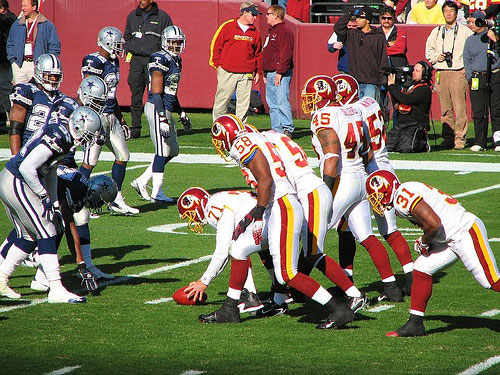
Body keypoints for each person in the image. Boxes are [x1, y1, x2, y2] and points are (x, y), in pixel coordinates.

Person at [201, 114, 355, 329]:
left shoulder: (241, 144)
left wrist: (256, 212)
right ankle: (230, 308)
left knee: (287, 274)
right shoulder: (258, 138)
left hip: (281, 205)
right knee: (238, 249)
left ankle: (338, 308)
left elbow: (265, 179)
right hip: (278, 205)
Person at [301, 75, 404, 302]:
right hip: (361, 176)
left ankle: (291, 289)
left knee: (313, 235)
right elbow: (368, 152)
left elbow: (331, 156)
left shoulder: (323, 115)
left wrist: (326, 190)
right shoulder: (354, 111)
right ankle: (392, 288)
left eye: (312, 97)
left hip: (341, 178)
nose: (309, 103)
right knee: (366, 235)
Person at [365, 169, 500, 337]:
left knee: (491, 281)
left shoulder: (402, 199)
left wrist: (423, 242)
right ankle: (415, 324)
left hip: (464, 231)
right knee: (422, 268)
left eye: (378, 196)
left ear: (387, 190)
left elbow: (434, 224)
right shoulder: (404, 192)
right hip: (449, 237)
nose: (377, 202)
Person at [0, 106, 101, 302]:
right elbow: (27, 168)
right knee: (47, 232)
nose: (89, 140)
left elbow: (51, 170)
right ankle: (55, 288)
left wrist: (53, 200)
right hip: (17, 179)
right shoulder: (60, 137)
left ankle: (1, 278)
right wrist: (42, 195)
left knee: (28, 235)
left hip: (12, 179)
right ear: (79, 127)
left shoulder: (64, 134)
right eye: (89, 135)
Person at [333, 73, 414, 296]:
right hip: (385, 167)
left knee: (349, 227)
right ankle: (407, 278)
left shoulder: (350, 111)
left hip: (369, 171)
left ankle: (400, 282)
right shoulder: (369, 102)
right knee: (387, 230)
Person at [80, 26, 139, 215]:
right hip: (96, 117)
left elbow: (111, 95)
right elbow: (86, 93)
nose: (119, 48)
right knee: (90, 161)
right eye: (116, 44)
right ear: (105, 42)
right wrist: (90, 121)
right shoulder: (93, 61)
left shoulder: (114, 62)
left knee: (123, 156)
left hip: (111, 116)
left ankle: (116, 199)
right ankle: (79, 200)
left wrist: (121, 119)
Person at [178, 187, 265, 314]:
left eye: (191, 214)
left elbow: (222, 253)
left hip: (262, 218)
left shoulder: (212, 209)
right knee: (246, 246)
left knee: (237, 250)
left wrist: (203, 282)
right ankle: (281, 292)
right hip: (270, 213)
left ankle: (250, 296)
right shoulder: (218, 198)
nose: (193, 220)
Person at [130, 25, 187, 203]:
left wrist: (181, 112)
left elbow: (171, 91)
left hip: (167, 107)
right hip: (157, 107)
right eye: (172, 42)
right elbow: (156, 92)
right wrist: (162, 117)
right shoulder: (159, 58)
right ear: (164, 42)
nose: (176, 46)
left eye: (178, 42)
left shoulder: (176, 60)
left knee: (172, 151)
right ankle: (157, 193)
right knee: (162, 151)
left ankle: (142, 181)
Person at [425, 1, 473, 150]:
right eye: (446, 11)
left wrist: (467, 66)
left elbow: (472, 50)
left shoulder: (465, 31)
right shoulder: (437, 31)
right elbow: (428, 51)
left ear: (456, 13)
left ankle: (460, 138)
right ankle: (447, 137)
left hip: (458, 71)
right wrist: (435, 58)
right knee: (445, 109)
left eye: (451, 11)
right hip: (442, 71)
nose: (448, 14)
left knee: (459, 108)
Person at [123, 0, 173, 139]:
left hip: (154, 61)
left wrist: (159, 56)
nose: (140, 1)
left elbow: (168, 38)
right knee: (136, 96)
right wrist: (131, 48)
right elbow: (127, 37)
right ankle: (135, 128)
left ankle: (160, 125)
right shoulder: (132, 16)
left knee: (157, 95)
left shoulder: (162, 17)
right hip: (136, 61)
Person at [209, 2, 263, 123]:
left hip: (246, 73)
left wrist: (259, 71)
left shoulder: (255, 32)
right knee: (221, 102)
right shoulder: (227, 26)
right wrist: (217, 66)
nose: (255, 17)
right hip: (227, 71)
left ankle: (240, 130)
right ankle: (218, 127)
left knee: (243, 105)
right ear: (244, 12)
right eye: (253, 14)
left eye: (256, 15)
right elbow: (215, 47)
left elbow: (258, 53)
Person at [8, 53, 65, 156]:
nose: (53, 80)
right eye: (50, 76)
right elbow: (15, 128)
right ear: (39, 72)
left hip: (52, 152)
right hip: (29, 150)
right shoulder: (26, 91)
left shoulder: (61, 98)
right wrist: (15, 157)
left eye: (56, 77)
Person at [334, 6, 389, 101]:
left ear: (367, 20)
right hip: (354, 82)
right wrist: (348, 14)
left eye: (360, 18)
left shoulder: (378, 37)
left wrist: (382, 79)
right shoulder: (352, 35)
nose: (357, 20)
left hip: (371, 83)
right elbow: (338, 28)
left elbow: (382, 59)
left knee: (369, 112)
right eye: (357, 18)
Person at [463, 11, 500, 152]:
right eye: (469, 22)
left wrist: (495, 39)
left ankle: (498, 141)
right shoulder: (470, 40)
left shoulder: (493, 36)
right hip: (477, 77)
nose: (471, 25)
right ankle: (480, 142)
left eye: (473, 22)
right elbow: (467, 60)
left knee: (496, 111)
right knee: (479, 111)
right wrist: (470, 77)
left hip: (494, 75)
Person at [6, 0, 60, 84]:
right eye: (22, 6)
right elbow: (10, 44)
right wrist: (13, 61)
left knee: (37, 93)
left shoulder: (47, 25)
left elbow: (54, 47)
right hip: (20, 65)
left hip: (37, 66)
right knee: (20, 93)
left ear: (34, 7)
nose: (22, 8)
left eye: (25, 6)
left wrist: (47, 65)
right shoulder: (17, 24)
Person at [386, 61, 433, 153]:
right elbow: (397, 104)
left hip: (415, 124)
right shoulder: (408, 87)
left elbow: (406, 100)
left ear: (424, 74)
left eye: (417, 71)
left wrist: (392, 87)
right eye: (413, 70)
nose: (413, 72)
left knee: (406, 148)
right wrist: (394, 87)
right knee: (388, 147)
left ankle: (423, 143)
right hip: (401, 124)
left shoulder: (424, 89)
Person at [262, 5, 294, 137]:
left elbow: (285, 53)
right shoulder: (271, 31)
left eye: (268, 13)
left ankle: (287, 128)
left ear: (276, 15)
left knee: (281, 101)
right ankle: (276, 129)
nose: (266, 16)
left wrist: (280, 72)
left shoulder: (284, 31)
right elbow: (268, 52)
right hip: (270, 72)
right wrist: (264, 72)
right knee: (272, 103)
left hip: (279, 72)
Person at [378, 6, 409, 124]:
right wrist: (388, 45)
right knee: (379, 105)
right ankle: (381, 133)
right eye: (383, 18)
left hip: (397, 73)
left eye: (389, 18)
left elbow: (400, 49)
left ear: (393, 19)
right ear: (380, 19)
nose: (386, 20)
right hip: (380, 73)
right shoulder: (375, 32)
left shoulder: (400, 32)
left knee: (398, 104)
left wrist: (382, 47)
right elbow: (373, 50)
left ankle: (398, 130)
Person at [0, 1, 15, 133]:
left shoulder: (9, 19)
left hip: (5, 62)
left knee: (6, 91)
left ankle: (13, 119)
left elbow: (6, 20)